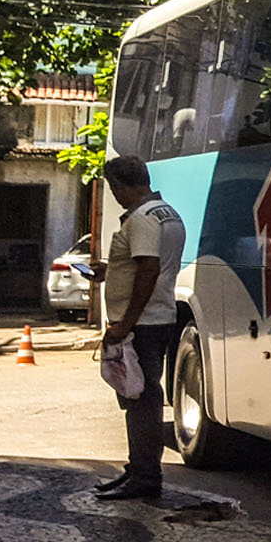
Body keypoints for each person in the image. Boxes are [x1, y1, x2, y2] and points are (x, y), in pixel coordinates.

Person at [92, 155, 186, 500]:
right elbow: (143, 268)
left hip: (141, 325)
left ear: (121, 186)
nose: (114, 194)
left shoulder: (142, 219)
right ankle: (138, 468)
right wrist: (109, 272)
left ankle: (145, 476)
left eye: (114, 188)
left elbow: (148, 269)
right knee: (138, 395)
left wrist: (124, 324)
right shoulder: (166, 212)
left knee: (140, 398)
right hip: (156, 318)